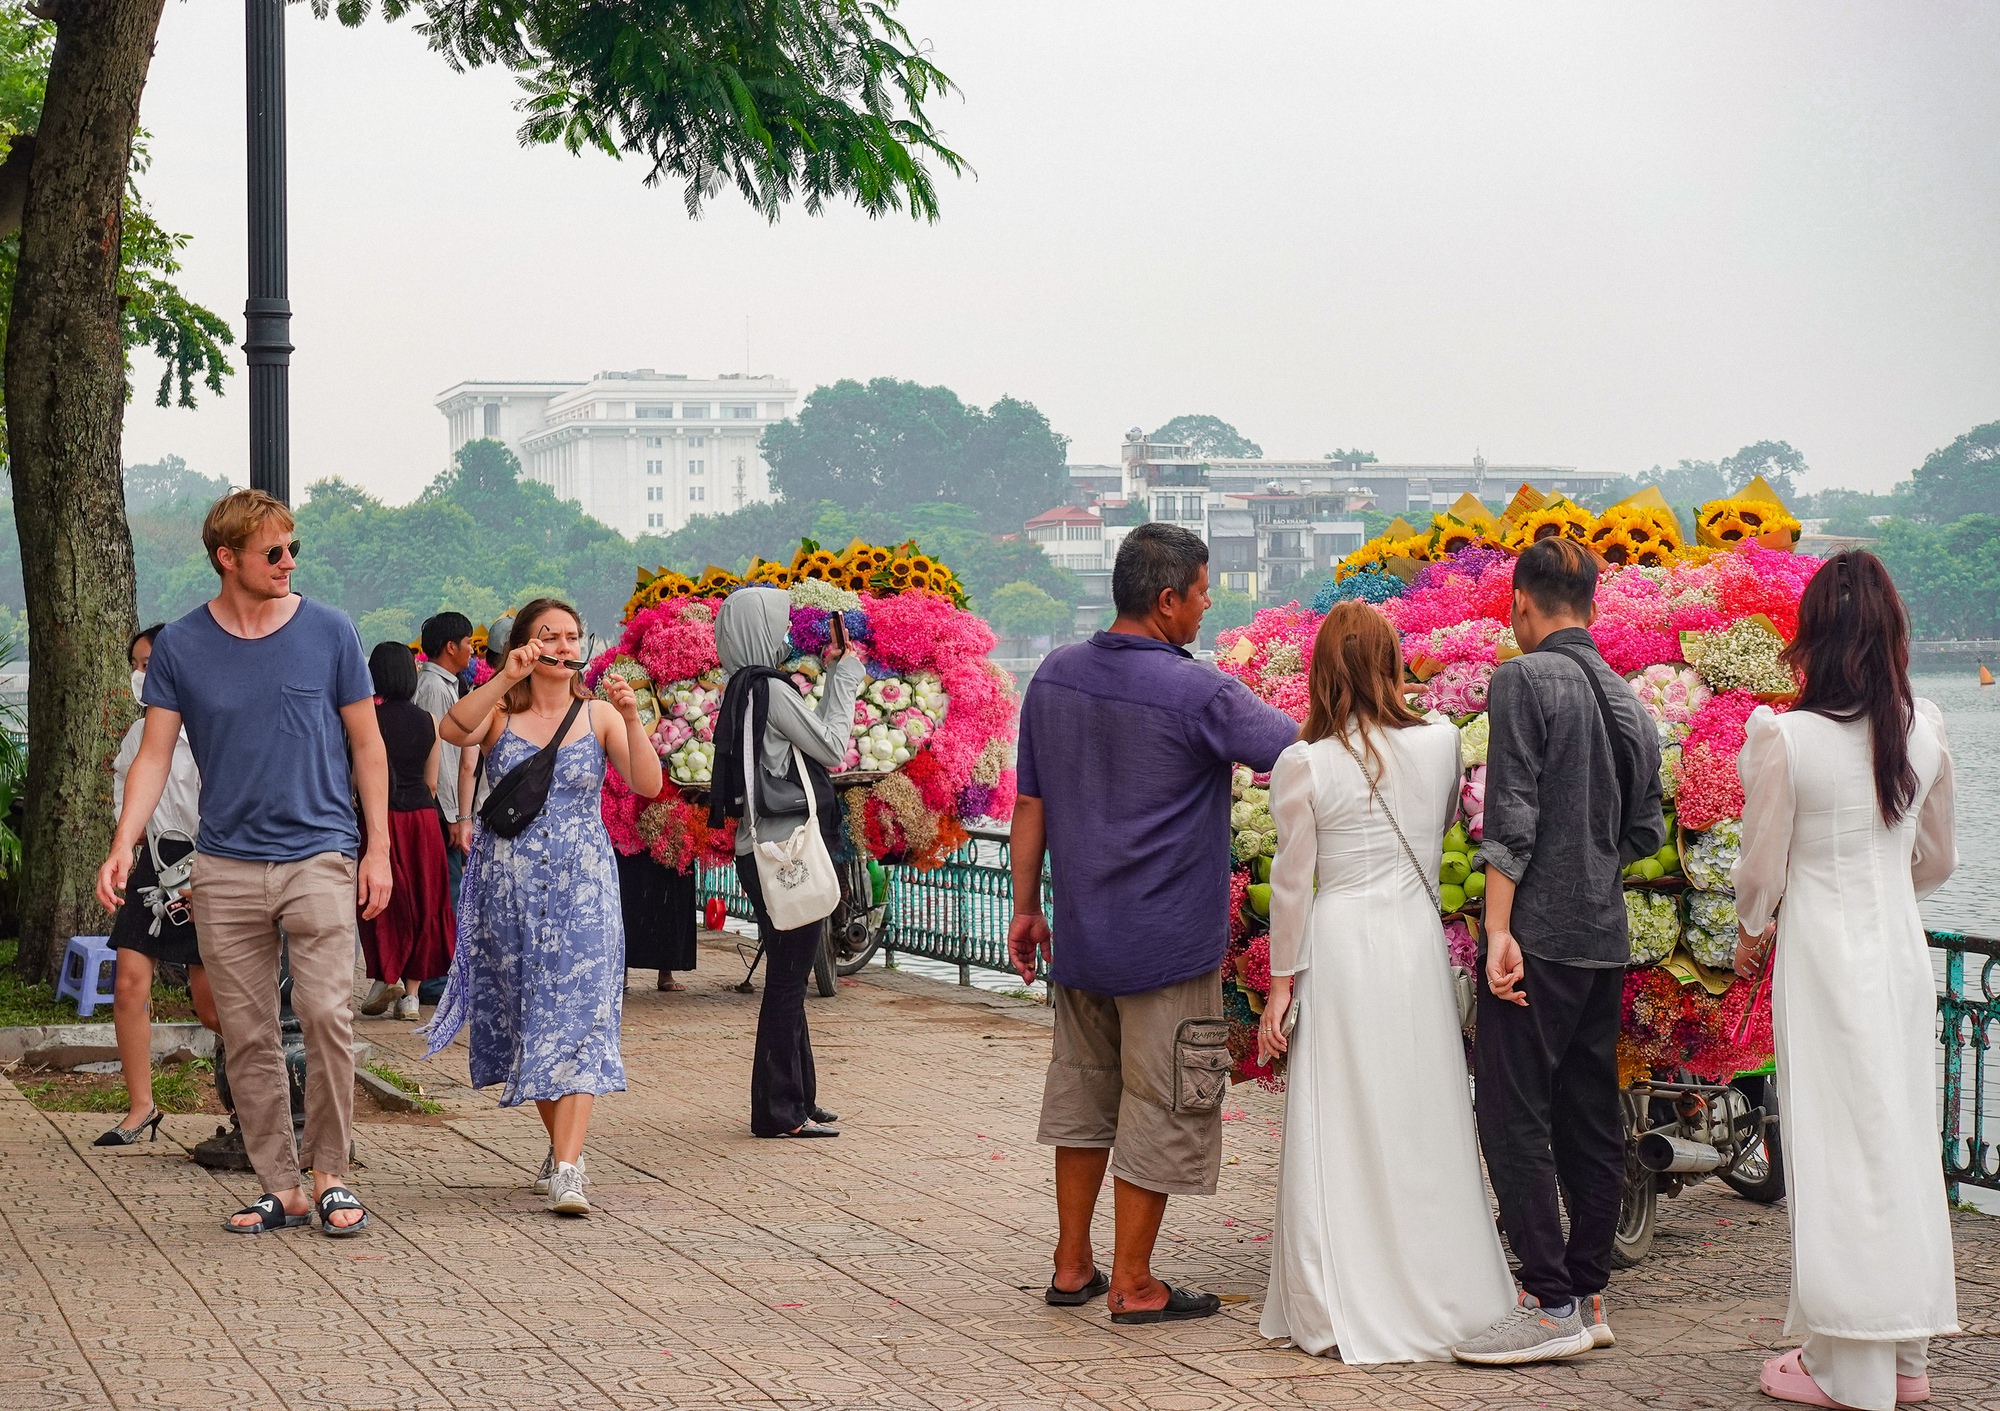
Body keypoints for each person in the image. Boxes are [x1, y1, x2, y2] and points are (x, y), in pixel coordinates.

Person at [1008, 523, 1297, 1323]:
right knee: (1167, 1101)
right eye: (1202, 593)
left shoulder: (1055, 674)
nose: (1207, 607)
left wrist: (1026, 907)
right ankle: (1135, 1283)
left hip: (1083, 941)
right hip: (1169, 947)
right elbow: (1296, 753)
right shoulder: (1200, 690)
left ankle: (1074, 1265)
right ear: (1167, 600)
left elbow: (1028, 801)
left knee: (1083, 1093)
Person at [96, 488, 391, 1236]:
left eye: (293, 548)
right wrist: (124, 840)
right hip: (223, 864)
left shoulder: (330, 631)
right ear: (228, 558)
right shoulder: (185, 646)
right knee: (247, 1029)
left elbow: (368, 743)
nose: (288, 561)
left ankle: (332, 1173)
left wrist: (378, 847)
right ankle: (281, 1185)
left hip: (320, 853)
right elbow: (154, 754)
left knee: (326, 1012)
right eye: (273, 552)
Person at [1255, 603, 1516, 1361]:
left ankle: (1341, 1289)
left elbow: (1294, 885)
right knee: (1422, 1106)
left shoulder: (1306, 764)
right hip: (1412, 939)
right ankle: (1442, 1277)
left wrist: (1280, 988)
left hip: (1340, 944)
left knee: (1339, 1114)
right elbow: (1436, 833)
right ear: (1392, 660)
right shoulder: (1440, 742)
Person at [1733, 551, 1957, 1411]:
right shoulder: (1925, 729)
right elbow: (1940, 858)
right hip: (1897, 950)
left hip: (1823, 953)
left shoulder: (1787, 738)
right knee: (1897, 1137)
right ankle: (1905, 1356)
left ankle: (1845, 1365)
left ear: (1814, 639)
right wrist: (1881, 887)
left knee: (1837, 1143)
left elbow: (1760, 869)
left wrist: (1755, 928)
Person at [1452, 536, 1665, 1364]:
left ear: (1520, 605)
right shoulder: (1629, 700)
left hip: (1535, 936)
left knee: (1511, 1112)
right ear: (1593, 606)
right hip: (1601, 938)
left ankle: (1546, 1301)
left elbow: (1511, 819)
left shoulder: (1521, 678)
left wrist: (1498, 931)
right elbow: (1647, 830)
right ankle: (1589, 1292)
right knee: (1589, 1117)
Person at [425, 599, 662, 1215]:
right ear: (526, 646)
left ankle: (567, 1167)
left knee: (579, 1018)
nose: (561, 644)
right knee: (533, 1019)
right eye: (546, 636)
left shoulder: (602, 713)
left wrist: (635, 720)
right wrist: (504, 676)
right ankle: (563, 1147)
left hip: (585, 887)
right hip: (510, 888)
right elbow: (452, 729)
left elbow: (647, 785)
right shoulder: (502, 712)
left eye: (571, 635)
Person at [707, 586, 864, 1138]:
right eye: (776, 625)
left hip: (758, 850)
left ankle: (800, 1097)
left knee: (788, 972)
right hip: (786, 851)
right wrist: (845, 678)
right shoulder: (769, 689)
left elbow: (802, 739)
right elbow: (832, 748)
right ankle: (778, 1113)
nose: (782, 635)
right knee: (787, 982)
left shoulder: (741, 688)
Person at [96, 624, 220, 1147]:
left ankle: (258, 1098)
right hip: (153, 864)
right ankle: (140, 1106)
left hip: (208, 865)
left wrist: (207, 873)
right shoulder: (137, 734)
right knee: (128, 981)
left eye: (151, 664)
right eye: (138, 665)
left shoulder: (213, 727)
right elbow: (132, 802)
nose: (142, 675)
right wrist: (123, 850)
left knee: (211, 1002)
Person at [357, 642, 457, 1021]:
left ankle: (386, 976)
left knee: (380, 901)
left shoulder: (368, 719)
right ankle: (412, 997)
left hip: (381, 820)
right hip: (423, 821)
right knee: (425, 903)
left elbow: (357, 776)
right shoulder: (429, 721)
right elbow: (431, 783)